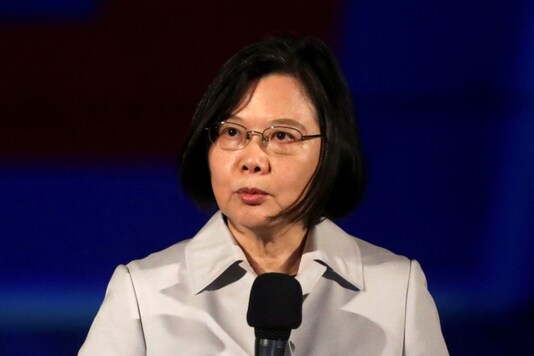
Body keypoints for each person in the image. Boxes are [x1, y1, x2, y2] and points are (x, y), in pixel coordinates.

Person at [79, 35, 449, 355]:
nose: (252, 160)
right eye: (233, 133)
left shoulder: (397, 290)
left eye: (282, 136)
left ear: (331, 151)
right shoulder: (142, 292)